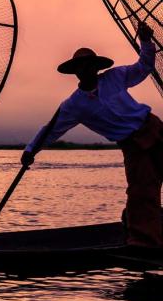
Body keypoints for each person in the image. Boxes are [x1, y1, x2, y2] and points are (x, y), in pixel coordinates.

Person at [22, 21, 163, 247]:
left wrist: (146, 42)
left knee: (148, 190)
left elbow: (144, 67)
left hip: (154, 128)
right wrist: (31, 150)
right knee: (142, 192)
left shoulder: (115, 77)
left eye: (90, 65)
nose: (87, 69)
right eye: (81, 66)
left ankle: (139, 221)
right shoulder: (74, 105)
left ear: (96, 67)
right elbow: (51, 129)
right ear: (76, 72)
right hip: (133, 145)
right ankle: (145, 241)